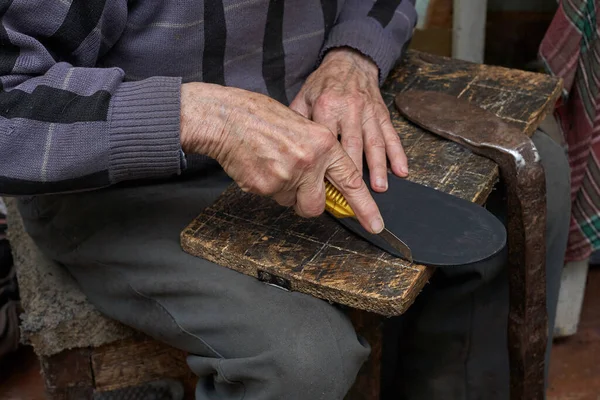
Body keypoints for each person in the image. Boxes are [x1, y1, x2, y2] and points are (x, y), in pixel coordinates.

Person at [0, 1, 570, 399]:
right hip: (127, 171)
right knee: (301, 361)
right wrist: (201, 117)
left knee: (529, 179)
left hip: (314, 125)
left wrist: (354, 54)